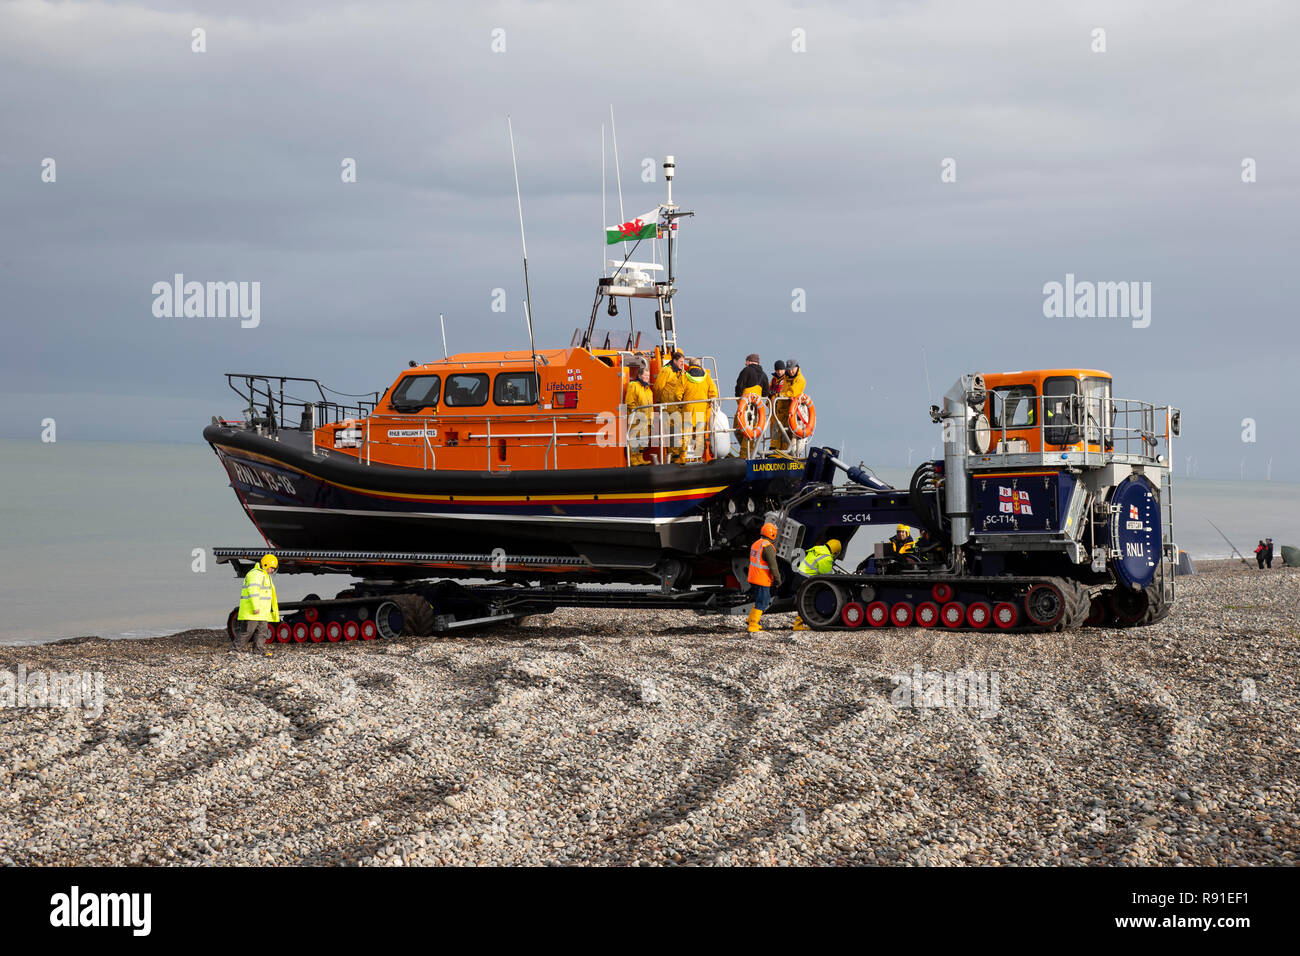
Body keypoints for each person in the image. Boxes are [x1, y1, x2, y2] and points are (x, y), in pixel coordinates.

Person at [791, 539, 841, 631]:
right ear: (835, 551)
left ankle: (799, 624)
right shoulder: (826, 557)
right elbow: (827, 575)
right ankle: (798, 625)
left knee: (800, 601)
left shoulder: (818, 549)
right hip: (806, 579)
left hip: (798, 576)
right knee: (806, 602)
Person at [235, 553, 279, 656]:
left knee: (262, 631)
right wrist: (256, 607)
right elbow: (253, 592)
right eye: (272, 568)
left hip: (262, 611)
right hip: (253, 610)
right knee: (248, 631)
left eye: (274, 568)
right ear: (265, 565)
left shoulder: (264, 575)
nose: (272, 570)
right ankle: (234, 649)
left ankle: (259, 650)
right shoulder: (255, 574)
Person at [746, 522, 783, 633]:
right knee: (764, 601)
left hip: (753, 577)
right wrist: (778, 579)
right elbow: (773, 566)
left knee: (758, 599)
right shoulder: (767, 546)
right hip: (762, 579)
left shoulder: (756, 544)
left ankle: (750, 620)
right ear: (773, 534)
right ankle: (753, 625)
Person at [679, 362, 719, 461]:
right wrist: (709, 403)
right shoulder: (706, 377)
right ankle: (698, 457)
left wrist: (681, 403)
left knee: (686, 435)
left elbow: (677, 394)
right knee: (700, 435)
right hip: (702, 410)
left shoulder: (684, 377)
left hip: (688, 410)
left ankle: (685, 457)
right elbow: (714, 392)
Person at [654, 349, 687, 462]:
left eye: (683, 362)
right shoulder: (666, 371)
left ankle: (677, 455)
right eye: (681, 362)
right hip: (668, 407)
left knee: (677, 431)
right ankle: (672, 456)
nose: (682, 364)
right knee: (671, 431)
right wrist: (660, 401)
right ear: (675, 361)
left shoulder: (680, 372)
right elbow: (658, 387)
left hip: (677, 407)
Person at [624, 359, 654, 466]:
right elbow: (629, 402)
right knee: (635, 440)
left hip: (647, 419)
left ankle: (640, 458)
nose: (647, 378)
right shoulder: (633, 386)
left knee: (643, 441)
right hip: (637, 419)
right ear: (640, 376)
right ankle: (633, 459)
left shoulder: (648, 389)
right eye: (645, 376)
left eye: (648, 376)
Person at [769, 360, 789, 451]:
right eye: (777, 370)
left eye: (781, 369)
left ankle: (785, 450)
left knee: (785, 432)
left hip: (784, 411)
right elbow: (767, 392)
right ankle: (774, 450)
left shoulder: (787, 379)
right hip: (774, 411)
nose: (779, 372)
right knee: (774, 431)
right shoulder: (773, 380)